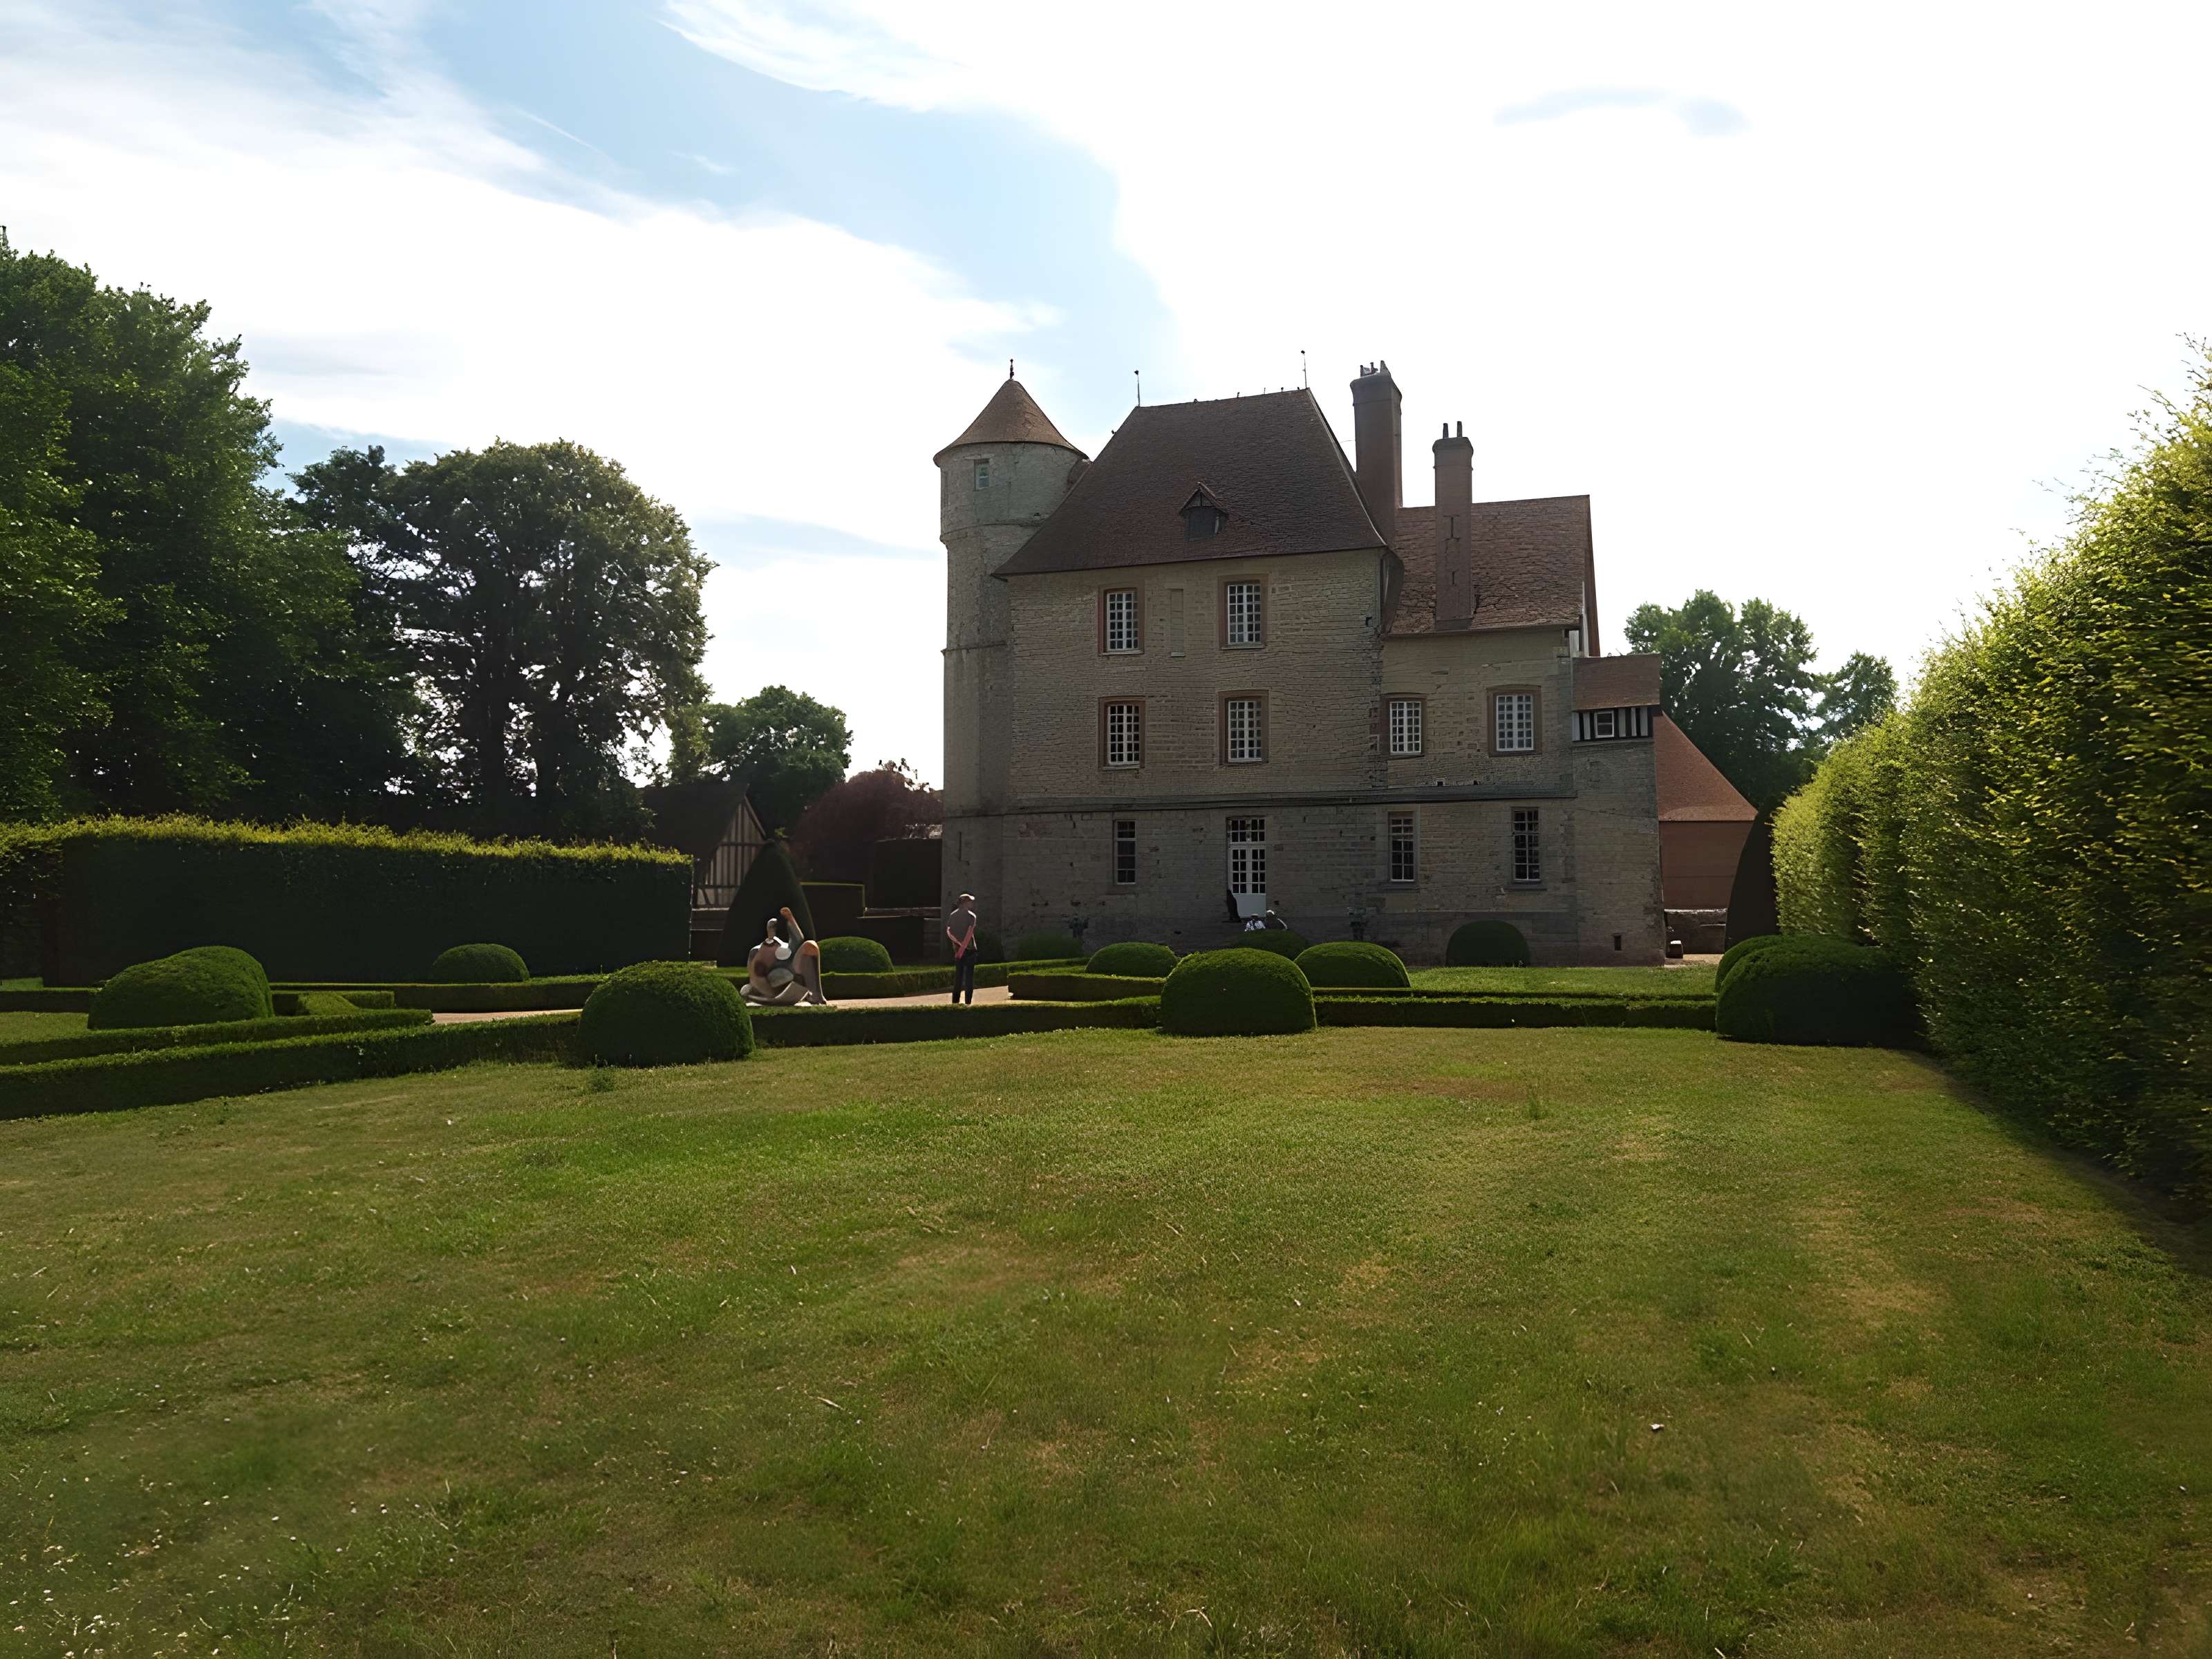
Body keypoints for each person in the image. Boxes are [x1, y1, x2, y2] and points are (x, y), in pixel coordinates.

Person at [742, 906, 830, 1006]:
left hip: (792, 973)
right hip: (771, 983)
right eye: (771, 927)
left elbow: (798, 940)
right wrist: (765, 994)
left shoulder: (786, 947)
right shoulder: (757, 951)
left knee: (810, 946)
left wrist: (790, 918)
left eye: (774, 927)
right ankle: (769, 993)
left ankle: (816, 994)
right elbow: (754, 976)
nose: (772, 929)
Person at [944, 892, 980, 1006]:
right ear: (965, 903)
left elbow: (949, 932)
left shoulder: (953, 915)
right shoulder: (972, 916)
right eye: (970, 901)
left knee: (958, 977)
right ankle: (968, 1003)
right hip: (970, 951)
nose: (972, 904)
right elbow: (969, 934)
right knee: (969, 978)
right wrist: (963, 948)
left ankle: (955, 1003)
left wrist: (959, 948)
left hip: (958, 951)